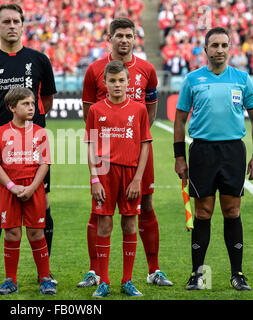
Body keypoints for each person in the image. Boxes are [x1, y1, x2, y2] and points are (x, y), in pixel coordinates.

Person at [0, 3, 57, 288]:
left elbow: (47, 101)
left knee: (42, 203)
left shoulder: (39, 60)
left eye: (17, 20)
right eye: (6, 21)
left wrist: (30, 127)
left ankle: (45, 272)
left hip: (31, 145)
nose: (12, 25)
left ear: (23, 24)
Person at [80, 17, 172, 288]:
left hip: (136, 151)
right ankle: (95, 272)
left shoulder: (146, 69)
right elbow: (90, 116)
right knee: (100, 211)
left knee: (145, 206)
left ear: (135, 38)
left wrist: (134, 137)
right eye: (118, 35)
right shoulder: (95, 70)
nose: (124, 40)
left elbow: (149, 111)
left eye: (128, 35)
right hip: (105, 156)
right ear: (110, 38)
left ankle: (153, 270)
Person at [174, 27, 253, 291]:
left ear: (230, 48)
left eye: (224, 45)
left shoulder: (242, 78)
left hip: (233, 152)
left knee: (232, 211)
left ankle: (238, 273)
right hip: (202, 152)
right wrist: (180, 156)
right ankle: (196, 274)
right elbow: (179, 119)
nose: (220, 50)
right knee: (203, 212)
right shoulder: (192, 79)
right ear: (205, 50)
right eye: (214, 45)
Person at [85, 60, 152, 298]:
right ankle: (104, 281)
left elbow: (145, 145)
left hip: (130, 174)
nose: (117, 85)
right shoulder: (95, 110)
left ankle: (127, 281)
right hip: (104, 174)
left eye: (121, 80)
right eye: (112, 81)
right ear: (104, 83)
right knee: (104, 225)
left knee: (130, 224)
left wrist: (138, 180)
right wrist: (94, 179)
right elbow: (92, 146)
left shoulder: (139, 110)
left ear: (128, 82)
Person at [0, 87, 55, 296]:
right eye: (25, 104)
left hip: (33, 189)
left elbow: (45, 163)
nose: (31, 107)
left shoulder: (40, 132)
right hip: (9, 190)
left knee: (36, 232)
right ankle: (11, 280)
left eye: (33, 103)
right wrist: (11, 186)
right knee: (11, 233)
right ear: (11, 107)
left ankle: (45, 278)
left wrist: (33, 187)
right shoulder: (0, 133)